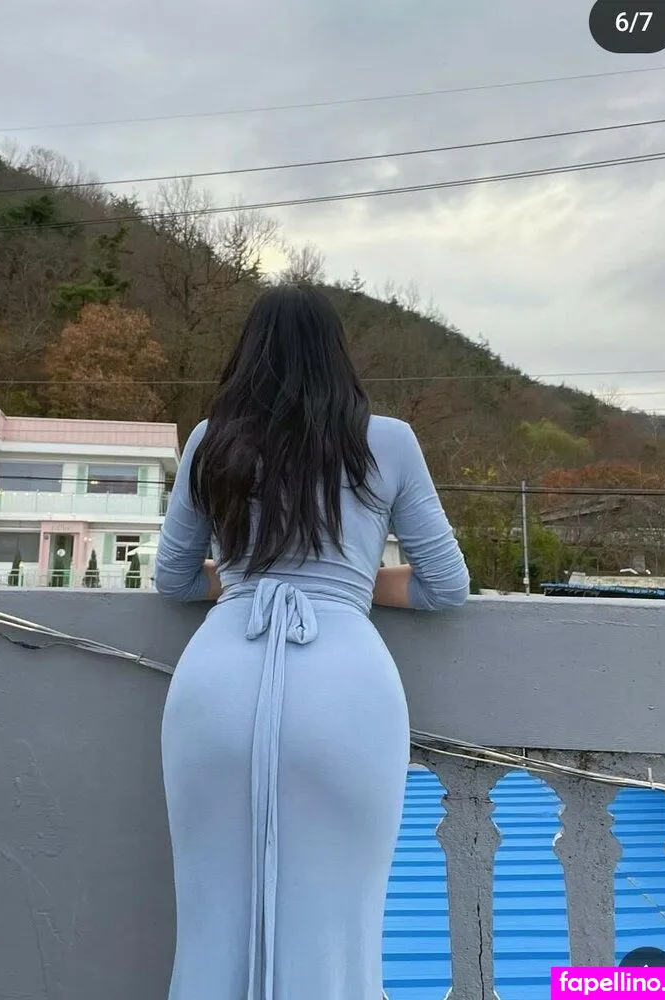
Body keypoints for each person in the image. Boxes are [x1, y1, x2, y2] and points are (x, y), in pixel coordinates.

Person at [154, 283, 469, 1000]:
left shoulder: (211, 440)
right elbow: (445, 585)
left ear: (248, 354)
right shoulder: (388, 441)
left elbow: (173, 579)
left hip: (218, 677)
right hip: (345, 682)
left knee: (210, 919)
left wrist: (250, 576)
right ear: (337, 354)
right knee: (340, 922)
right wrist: (345, 582)